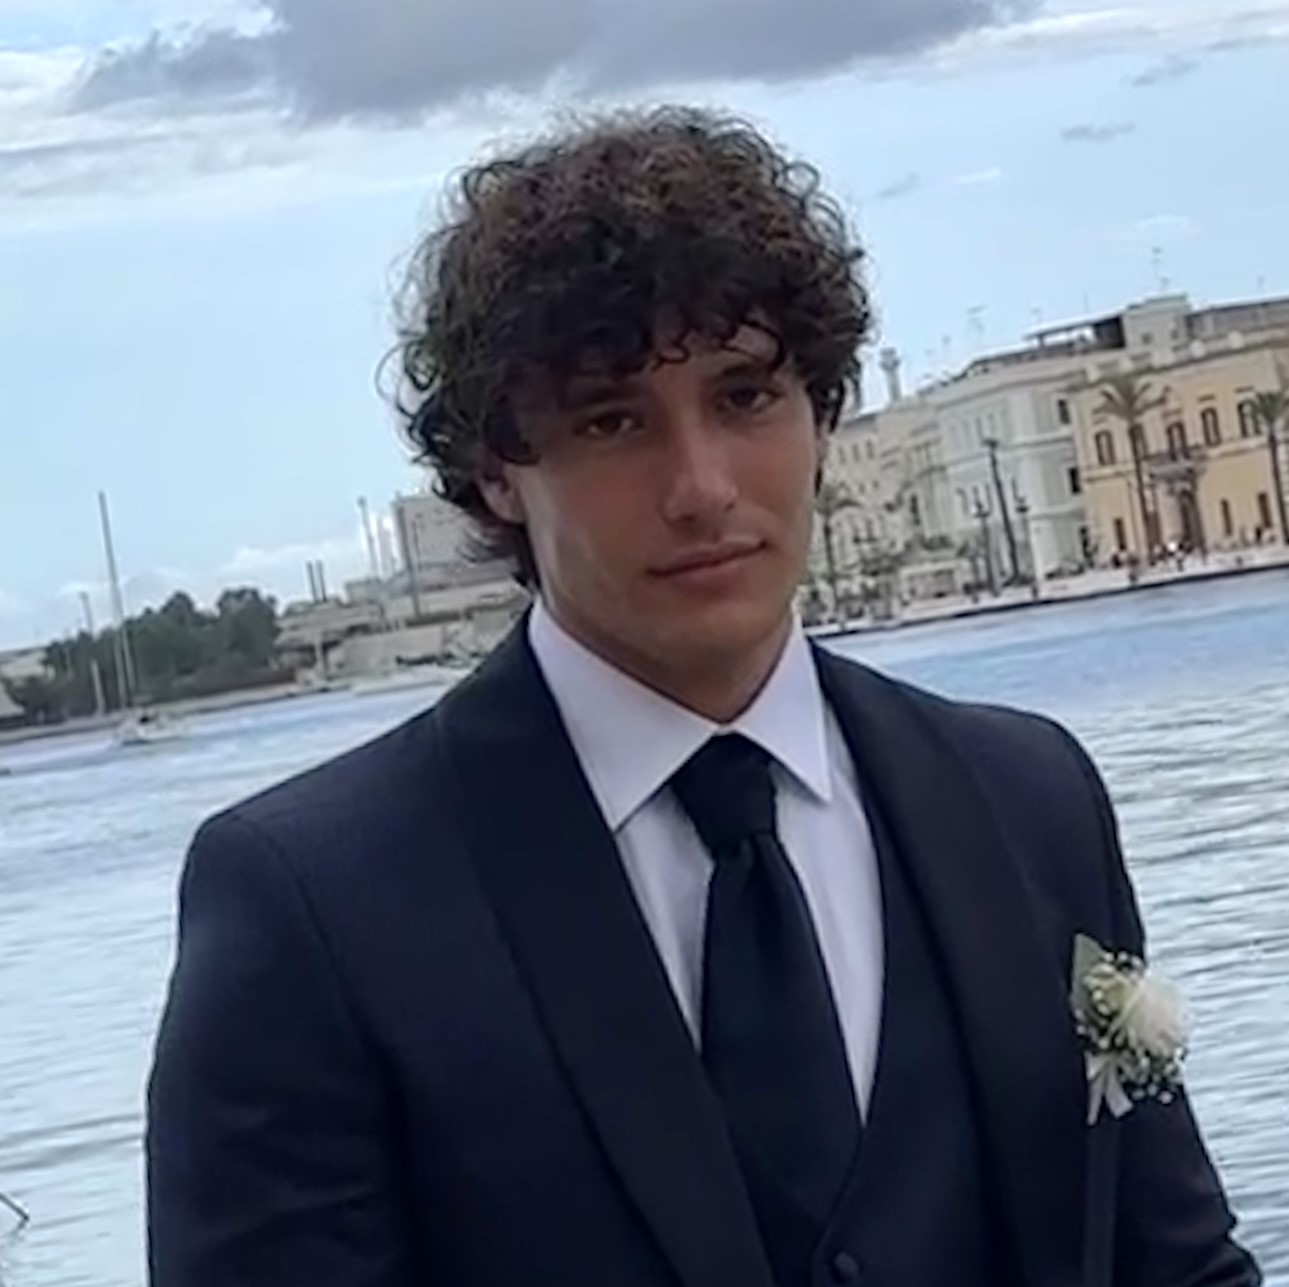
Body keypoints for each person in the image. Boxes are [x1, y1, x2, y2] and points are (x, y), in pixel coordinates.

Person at [145, 107, 1261, 1287]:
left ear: (820, 413)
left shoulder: (1028, 801)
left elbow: (1173, 1266)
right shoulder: (313, 908)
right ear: (493, 474)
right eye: (611, 420)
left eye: (744, 397)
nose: (700, 487)